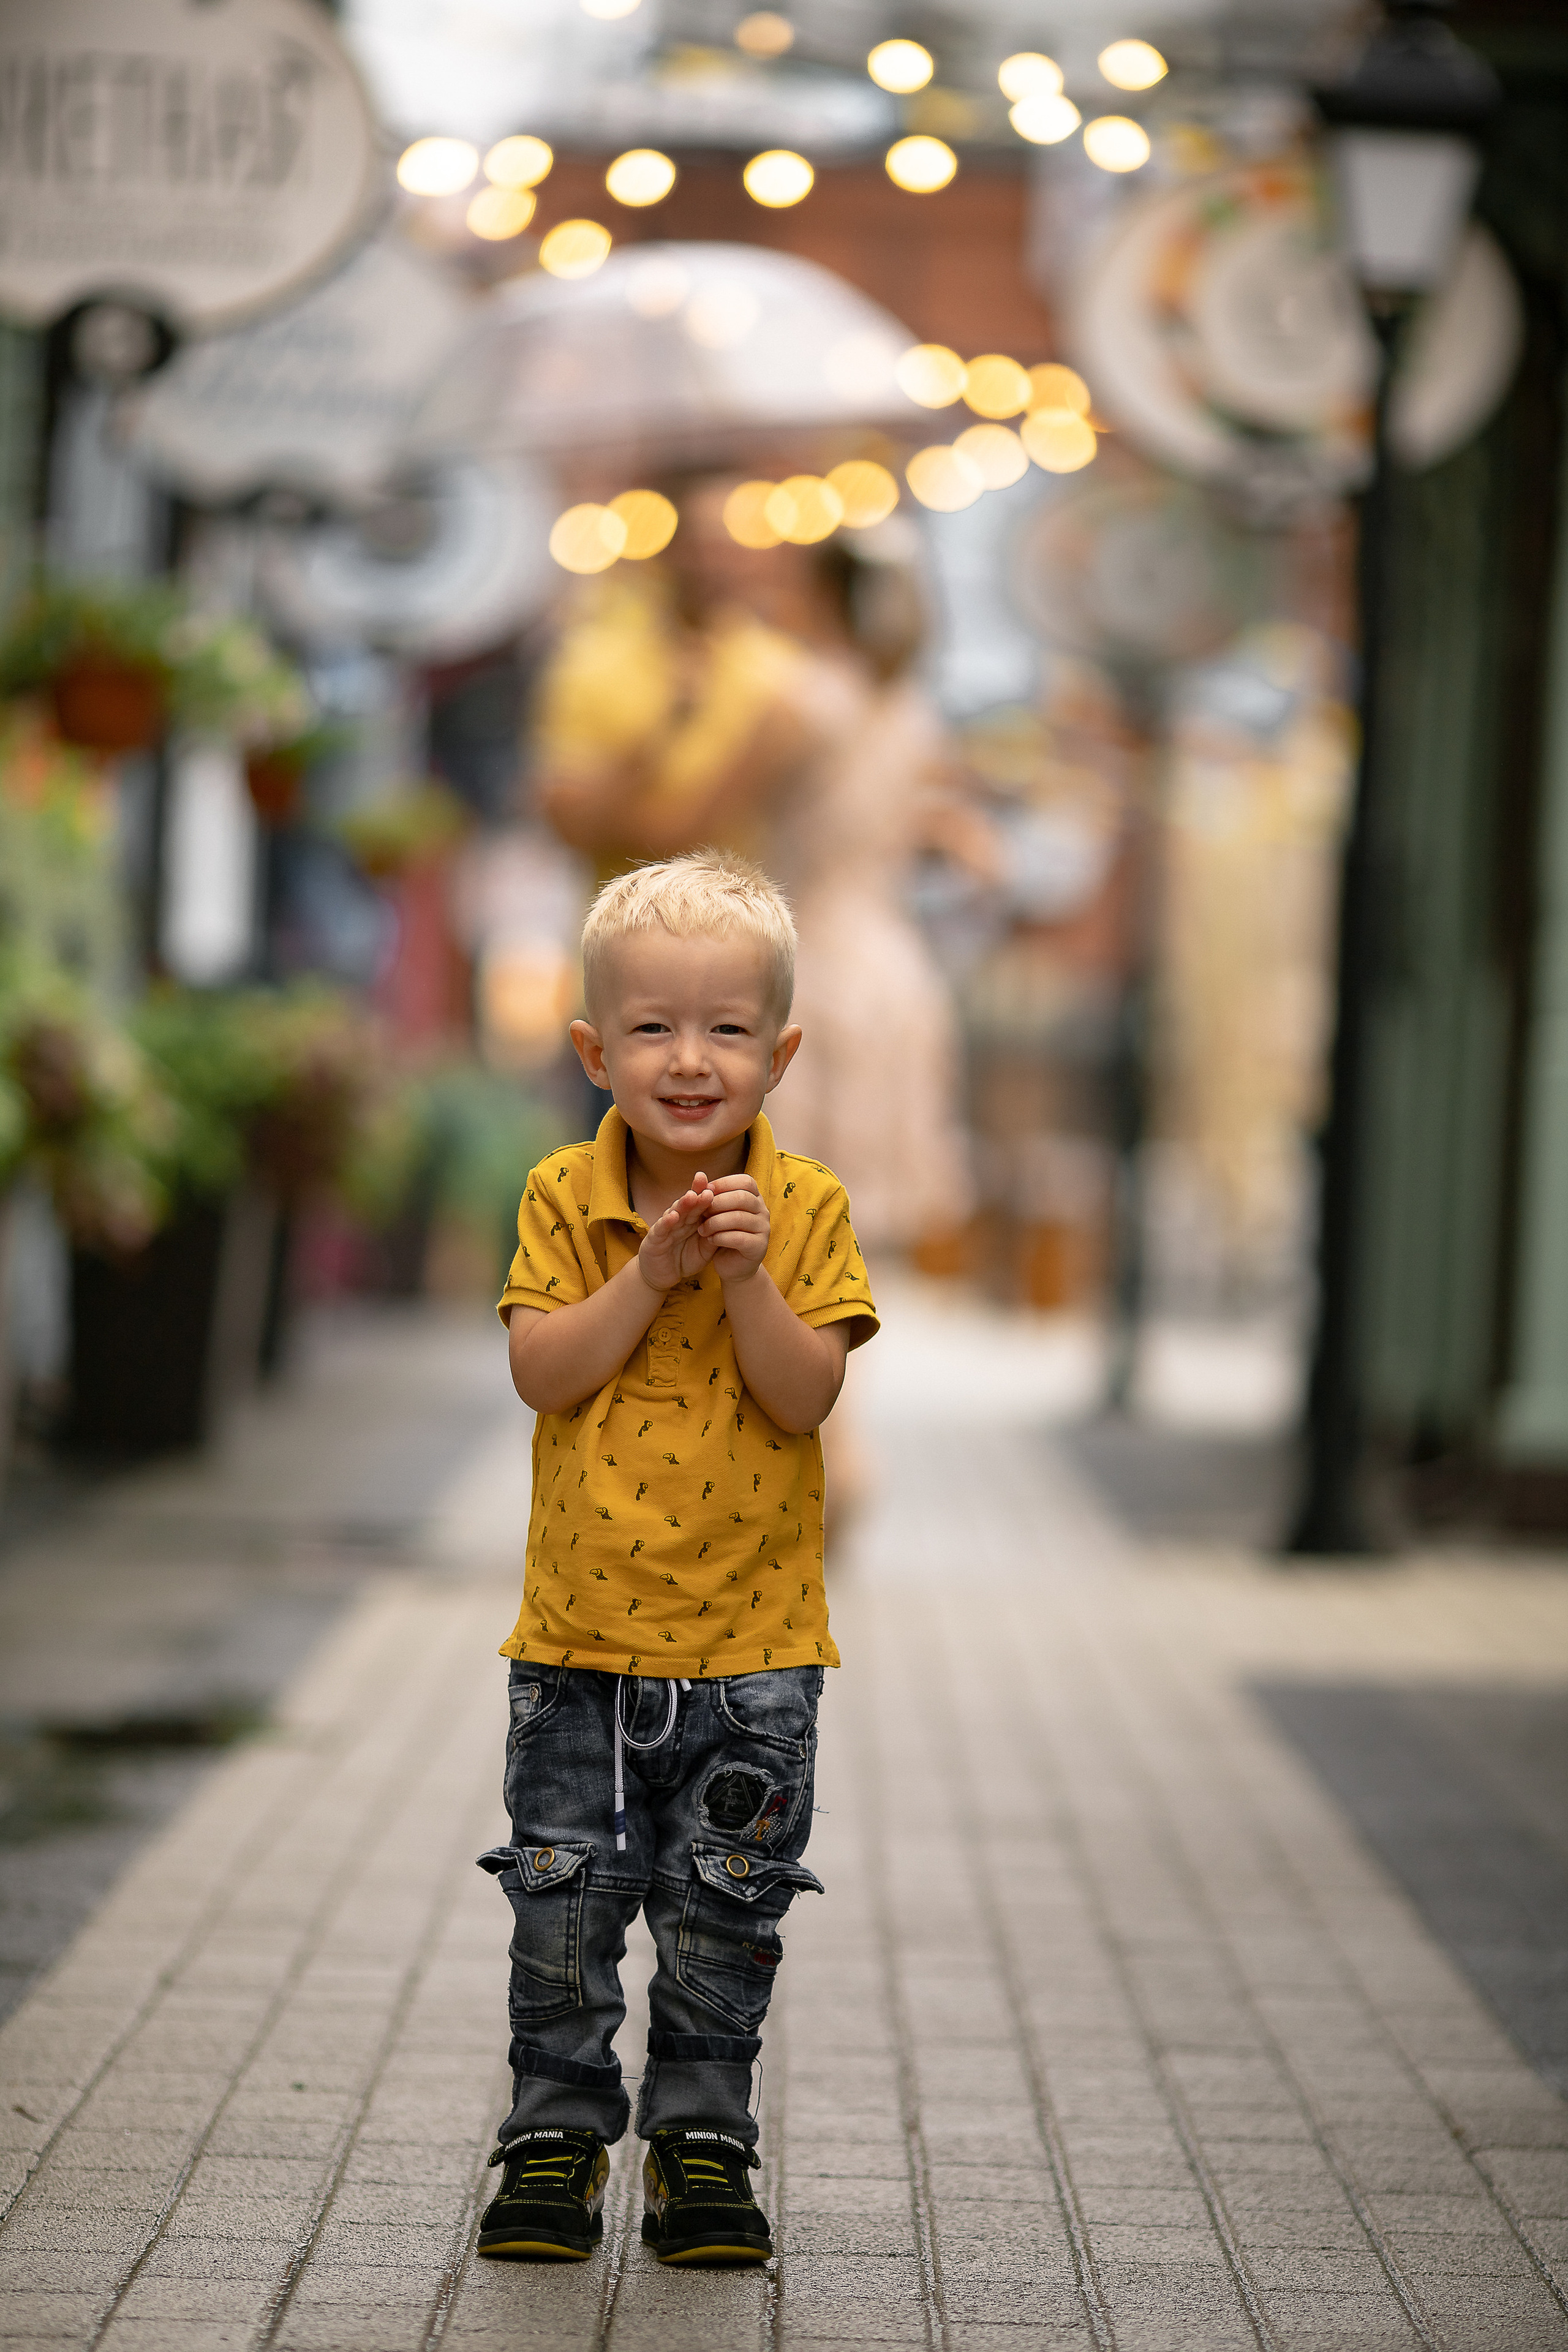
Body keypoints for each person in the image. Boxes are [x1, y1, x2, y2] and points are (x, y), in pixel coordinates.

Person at [477, 849, 878, 2268]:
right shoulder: (557, 1196)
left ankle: (703, 2140)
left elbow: (803, 1396)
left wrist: (747, 1275)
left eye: (724, 1031)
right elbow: (542, 1371)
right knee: (563, 1905)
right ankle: (556, 2134)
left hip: (754, 1657)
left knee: (721, 1915)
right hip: (577, 1645)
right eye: (650, 1027)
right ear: (593, 1048)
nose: (687, 1060)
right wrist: (644, 1275)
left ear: (779, 1053)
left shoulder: (810, 1206)